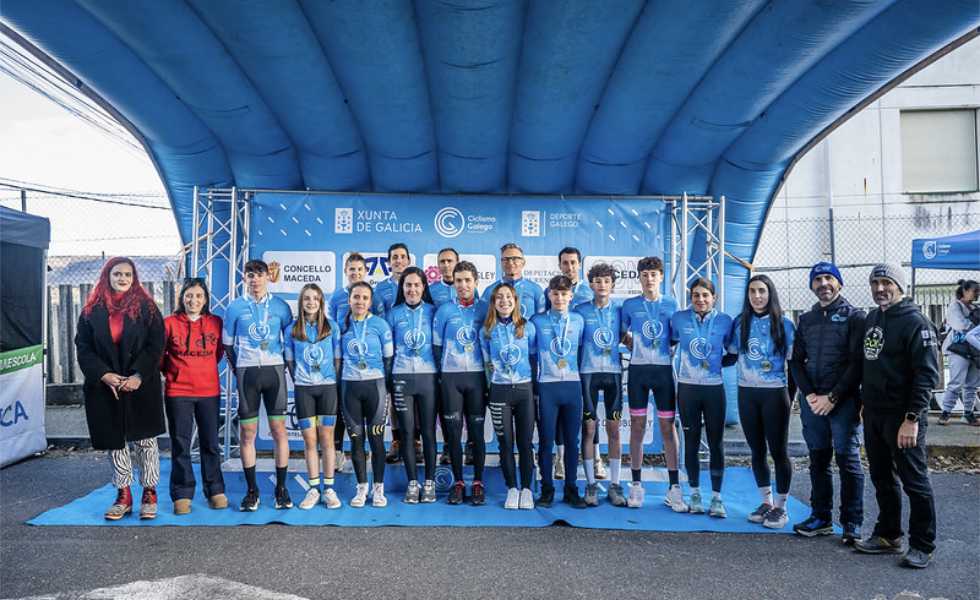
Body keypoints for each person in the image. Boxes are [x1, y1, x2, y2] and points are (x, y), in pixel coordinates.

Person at [854, 264, 940, 569]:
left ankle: (922, 544)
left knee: (914, 481)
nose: (880, 288)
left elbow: (927, 376)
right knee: (881, 477)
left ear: (900, 286)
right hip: (874, 414)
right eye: (875, 282)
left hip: (903, 417)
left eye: (886, 282)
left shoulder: (916, 322)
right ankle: (889, 534)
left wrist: (912, 419)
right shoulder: (872, 318)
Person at [76, 257, 165, 520]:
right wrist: (104, 375)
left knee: (145, 440)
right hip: (106, 385)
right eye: (117, 274)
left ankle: (149, 492)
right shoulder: (91, 311)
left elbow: (156, 345)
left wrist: (138, 375)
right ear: (108, 276)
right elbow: (83, 348)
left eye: (127, 274)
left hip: (140, 384)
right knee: (116, 441)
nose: (122, 278)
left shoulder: (148, 308)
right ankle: (123, 495)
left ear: (134, 278)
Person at [788, 262, 866, 543]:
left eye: (828, 278)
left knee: (848, 461)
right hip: (813, 403)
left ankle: (852, 522)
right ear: (812, 285)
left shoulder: (855, 317)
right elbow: (796, 362)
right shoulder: (806, 319)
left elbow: (858, 363)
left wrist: (833, 397)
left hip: (843, 402)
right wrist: (810, 395)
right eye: (817, 279)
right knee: (818, 460)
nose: (823, 284)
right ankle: (821, 517)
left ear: (839, 283)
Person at [223, 259, 294, 511]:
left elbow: (290, 342)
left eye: (259, 274)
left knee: (279, 431)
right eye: (250, 274)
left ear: (267, 277)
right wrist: (240, 369)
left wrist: (284, 367)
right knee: (248, 434)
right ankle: (252, 491)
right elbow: (227, 345)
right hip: (247, 374)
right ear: (244, 278)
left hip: (274, 372)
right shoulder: (234, 307)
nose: (255, 279)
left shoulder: (281, 306)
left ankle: (281, 489)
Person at [728, 275, 795, 529]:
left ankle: (781, 507)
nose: (757, 296)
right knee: (756, 451)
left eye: (762, 291)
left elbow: (794, 365)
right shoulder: (740, 323)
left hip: (775, 394)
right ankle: (766, 502)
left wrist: (790, 397)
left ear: (770, 293)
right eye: (752, 291)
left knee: (779, 452)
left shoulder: (785, 324)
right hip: (747, 394)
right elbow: (730, 356)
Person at [620, 256, 685, 511]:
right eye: (645, 275)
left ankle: (674, 487)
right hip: (638, 371)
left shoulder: (671, 303)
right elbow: (620, 332)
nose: (649, 279)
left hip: (663, 372)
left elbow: (676, 335)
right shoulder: (630, 305)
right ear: (639, 277)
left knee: (667, 428)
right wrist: (633, 344)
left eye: (653, 275)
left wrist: (665, 348)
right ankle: (636, 485)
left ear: (661, 277)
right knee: (637, 427)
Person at [161, 277, 227, 515]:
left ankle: (215, 489)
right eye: (189, 295)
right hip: (178, 391)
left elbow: (218, 353)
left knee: (211, 443)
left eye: (199, 296)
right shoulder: (169, 323)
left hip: (209, 391)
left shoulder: (216, 322)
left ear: (206, 299)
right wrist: (174, 373)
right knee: (181, 444)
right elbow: (159, 356)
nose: (194, 300)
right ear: (182, 298)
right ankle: (182, 492)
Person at [670, 278, 735, 517]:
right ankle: (695, 493)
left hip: (713, 389)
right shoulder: (679, 318)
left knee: (716, 442)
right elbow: (671, 342)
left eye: (705, 295)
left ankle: (717, 498)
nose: (700, 300)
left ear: (714, 298)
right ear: (691, 298)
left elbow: (733, 354)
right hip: (687, 389)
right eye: (696, 295)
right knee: (691, 440)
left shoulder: (725, 321)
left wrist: (713, 365)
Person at [434, 261, 489, 505]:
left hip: (477, 377)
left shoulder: (486, 308)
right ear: (453, 283)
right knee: (453, 434)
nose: (463, 285)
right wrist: (442, 376)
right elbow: (436, 347)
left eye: (468, 280)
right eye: (458, 281)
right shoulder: (444, 310)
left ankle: (478, 482)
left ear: (476, 281)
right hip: (451, 379)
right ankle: (458, 482)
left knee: (476, 432)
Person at [285, 284, 342, 510]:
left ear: (321, 302)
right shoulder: (292, 329)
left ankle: (329, 489)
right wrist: (303, 379)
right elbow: (290, 361)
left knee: (327, 439)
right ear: (301, 302)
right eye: (307, 298)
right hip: (304, 390)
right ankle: (313, 489)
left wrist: (329, 379)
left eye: (315, 299)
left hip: (327, 388)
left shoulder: (332, 327)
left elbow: (337, 359)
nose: (311, 302)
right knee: (309, 440)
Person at [532, 275, 588, 508]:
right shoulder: (537, 321)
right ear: (549, 295)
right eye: (555, 293)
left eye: (564, 294)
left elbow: (582, 352)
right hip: (547, 386)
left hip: (572, 386)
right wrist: (534, 387)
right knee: (546, 441)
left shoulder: (578, 320)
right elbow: (531, 355)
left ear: (571, 296)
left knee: (573, 442)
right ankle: (547, 489)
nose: (559, 298)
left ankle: (571, 489)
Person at [480, 283, 537, 510]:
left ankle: (527, 489)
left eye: (508, 297)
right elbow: (486, 364)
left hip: (524, 390)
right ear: (494, 303)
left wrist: (535, 390)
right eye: (499, 298)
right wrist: (490, 388)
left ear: (515, 301)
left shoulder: (527, 327)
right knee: (505, 443)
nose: (504, 301)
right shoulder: (487, 330)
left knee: (525, 443)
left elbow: (534, 359)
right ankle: (512, 488)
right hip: (499, 390)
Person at [387, 267, 439, 503]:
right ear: (402, 288)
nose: (412, 289)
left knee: (428, 431)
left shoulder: (433, 312)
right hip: (402, 377)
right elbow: (388, 351)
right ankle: (412, 483)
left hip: (428, 378)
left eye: (417, 285)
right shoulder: (393, 313)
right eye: (408, 285)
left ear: (424, 287)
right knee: (407, 432)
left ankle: (429, 482)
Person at [340, 281, 394, 508]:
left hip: (376, 387)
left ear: (370, 302)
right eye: (356, 297)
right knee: (356, 440)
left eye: (364, 298)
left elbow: (388, 359)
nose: (360, 301)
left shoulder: (380, 325)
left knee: (376, 439)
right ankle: (361, 487)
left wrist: (386, 386)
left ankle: (378, 488)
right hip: (349, 387)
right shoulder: (341, 325)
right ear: (349, 300)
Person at [576, 263, 625, 506]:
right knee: (589, 429)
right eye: (597, 281)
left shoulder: (621, 309)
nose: (602, 285)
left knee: (614, 429)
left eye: (606, 281)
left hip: (613, 373)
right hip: (588, 373)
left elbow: (627, 335)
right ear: (591, 284)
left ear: (612, 284)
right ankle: (590, 484)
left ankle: (615, 484)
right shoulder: (580, 310)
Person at [550, 247, 598, 481]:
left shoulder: (590, 291)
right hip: (562, 359)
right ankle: (560, 459)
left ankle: (596, 458)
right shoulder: (552, 291)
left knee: (590, 412)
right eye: (565, 263)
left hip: (587, 361)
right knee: (560, 414)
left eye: (573, 263)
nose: (569, 267)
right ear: (559, 265)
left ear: (579, 264)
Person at [330, 253, 369, 473]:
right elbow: (331, 328)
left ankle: (364, 451)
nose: (355, 273)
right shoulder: (337, 297)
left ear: (365, 272)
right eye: (352, 269)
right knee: (339, 409)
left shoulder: (371, 296)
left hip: (365, 362)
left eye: (359, 269)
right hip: (342, 361)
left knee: (364, 410)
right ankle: (337, 452)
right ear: (345, 271)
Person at [939, 279, 980, 426]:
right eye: (975, 290)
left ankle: (968, 413)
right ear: (964, 291)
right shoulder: (955, 306)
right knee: (956, 382)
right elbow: (960, 324)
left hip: (975, 349)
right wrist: (975, 328)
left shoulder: (974, 307)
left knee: (972, 384)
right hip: (959, 348)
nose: (977, 294)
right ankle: (946, 412)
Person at [481, 243, 546, 319]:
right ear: (501, 263)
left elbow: (542, 321)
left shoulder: (535, 289)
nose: (510, 262)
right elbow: (481, 319)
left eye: (515, 258)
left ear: (523, 262)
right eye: (506, 259)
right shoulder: (490, 290)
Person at [373, 243, 412, 320]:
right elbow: (378, 318)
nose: (399, 261)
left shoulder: (418, 286)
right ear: (389, 262)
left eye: (403, 257)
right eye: (395, 257)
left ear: (409, 261)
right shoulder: (380, 288)